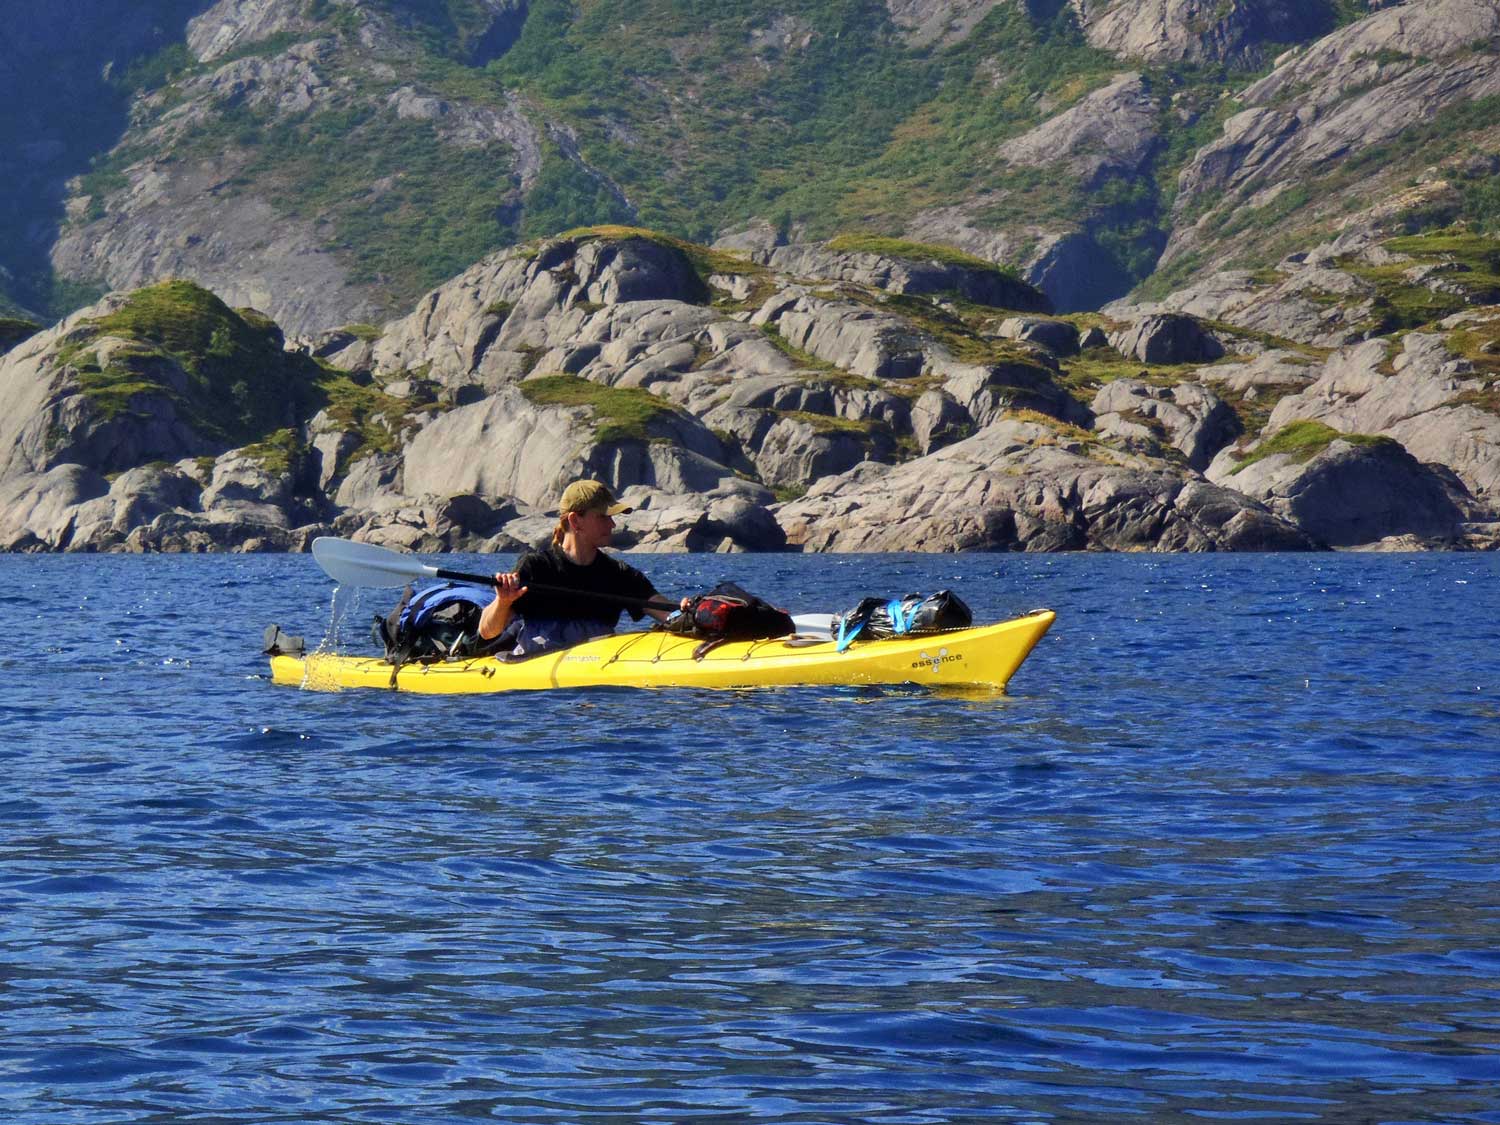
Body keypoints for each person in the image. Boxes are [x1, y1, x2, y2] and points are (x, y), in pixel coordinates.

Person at [477, 480, 685, 655]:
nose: (612, 524)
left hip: (595, 672)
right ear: (576, 521)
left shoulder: (620, 574)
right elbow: (487, 631)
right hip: (538, 673)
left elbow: (668, 613)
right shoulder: (536, 567)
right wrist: (503, 602)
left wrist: (688, 612)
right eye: (603, 517)